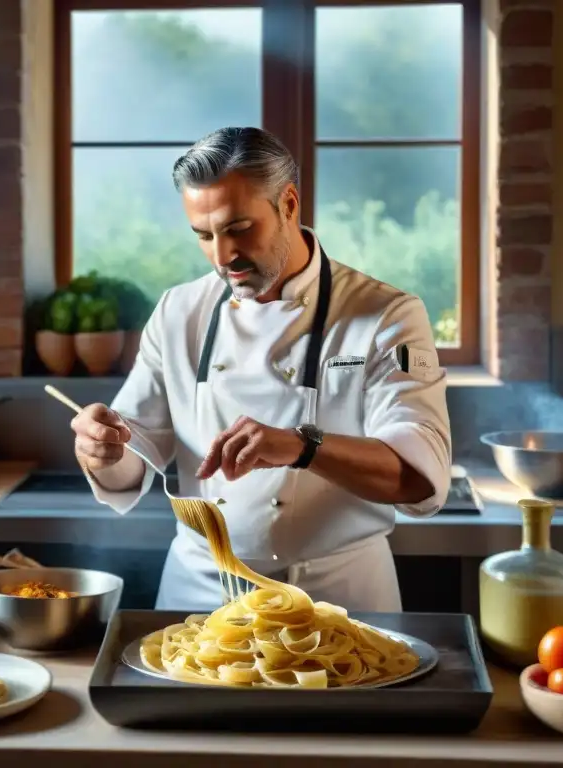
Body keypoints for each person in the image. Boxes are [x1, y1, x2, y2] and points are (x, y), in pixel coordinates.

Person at [70, 126, 451, 613]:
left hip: (337, 600)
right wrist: (101, 451)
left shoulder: (386, 315)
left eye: (238, 228)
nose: (222, 256)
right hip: (200, 598)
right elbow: (133, 459)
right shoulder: (177, 311)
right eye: (203, 236)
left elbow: (421, 478)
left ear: (289, 204)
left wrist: (301, 445)